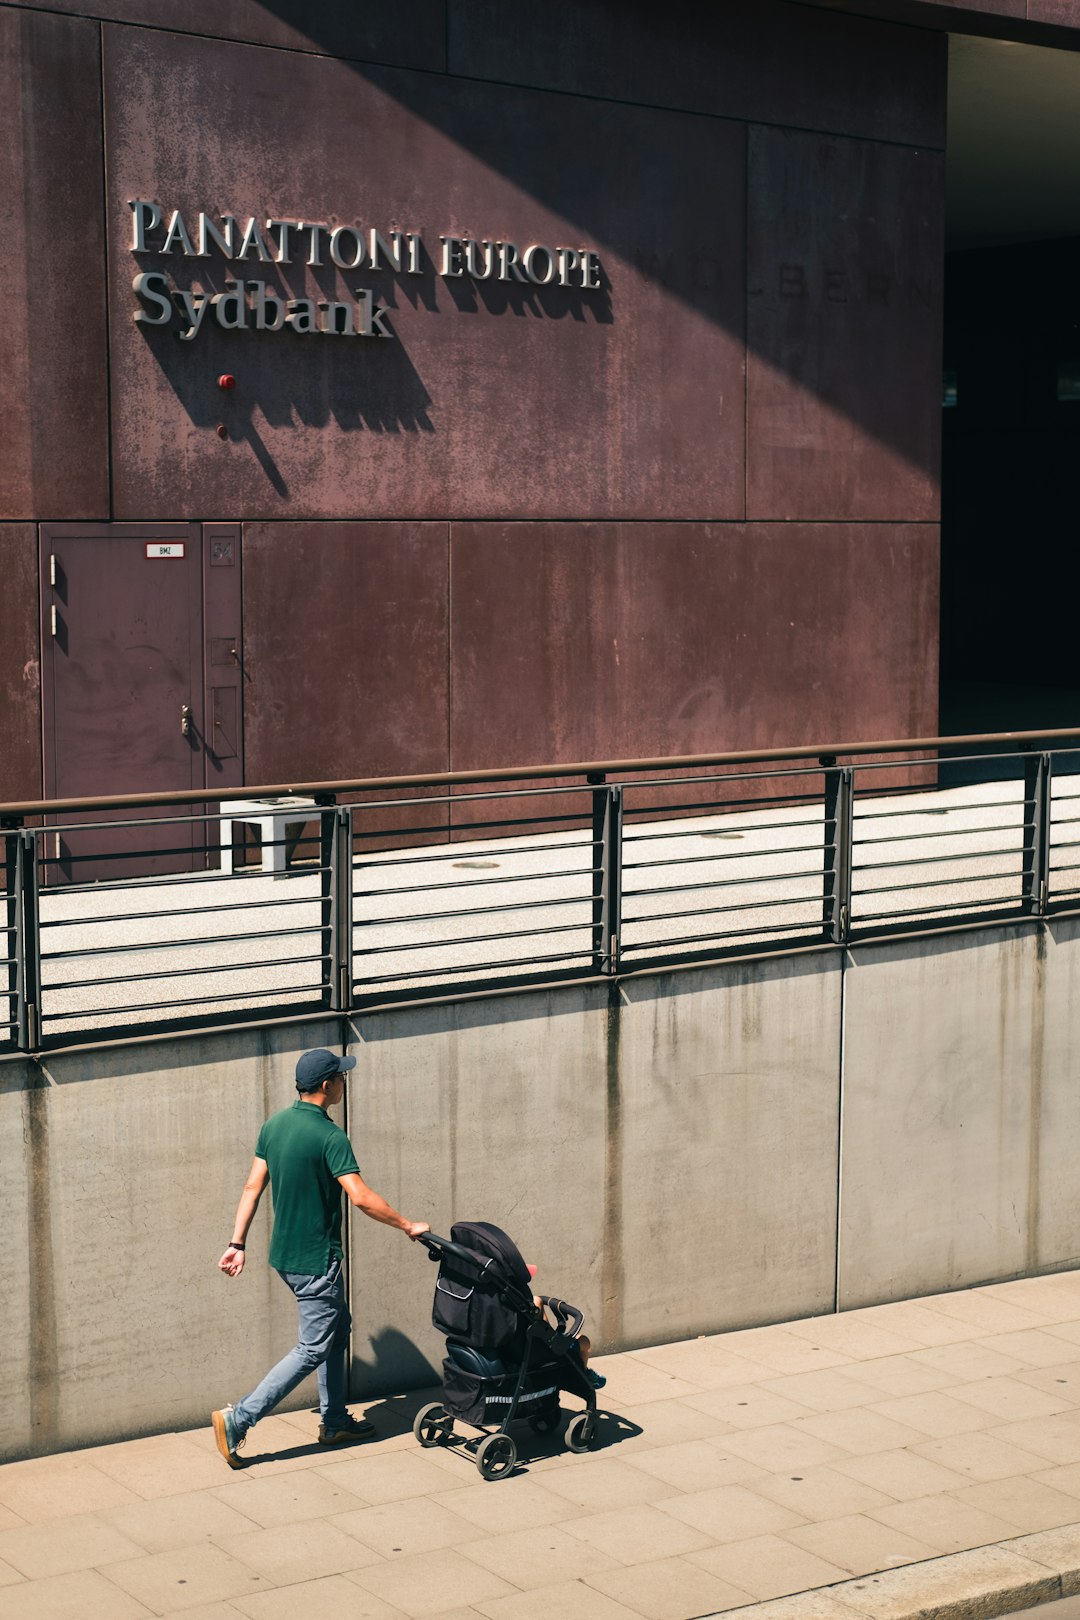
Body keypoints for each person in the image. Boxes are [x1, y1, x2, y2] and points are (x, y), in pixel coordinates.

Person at [211, 1047, 429, 1468]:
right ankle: (240, 1418)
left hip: (285, 1257)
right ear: (328, 1086)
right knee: (313, 1347)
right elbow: (361, 1197)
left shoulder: (274, 1125)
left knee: (337, 1327)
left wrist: (237, 1243)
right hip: (316, 1261)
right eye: (342, 1078)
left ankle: (334, 1421)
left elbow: (252, 1187)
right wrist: (407, 1225)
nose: (345, 1083)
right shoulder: (331, 1137)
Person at [526, 1262, 606, 1389]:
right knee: (584, 1341)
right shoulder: (534, 1302)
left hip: (522, 1348)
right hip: (543, 1351)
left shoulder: (506, 1304)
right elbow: (545, 1330)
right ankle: (583, 1374)